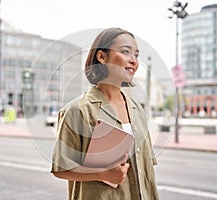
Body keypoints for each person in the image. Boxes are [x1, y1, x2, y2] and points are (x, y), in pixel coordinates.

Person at [51, 27, 159, 200]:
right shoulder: (77, 110)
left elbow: (146, 168)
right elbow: (60, 168)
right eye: (125, 52)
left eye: (136, 55)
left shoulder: (137, 109)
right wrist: (102, 174)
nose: (133, 60)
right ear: (102, 57)